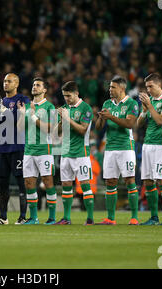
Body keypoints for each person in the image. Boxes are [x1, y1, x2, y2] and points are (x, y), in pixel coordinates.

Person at [95, 75, 140, 225]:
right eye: (109, 87)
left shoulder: (131, 104)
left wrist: (110, 116)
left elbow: (129, 123)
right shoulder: (107, 103)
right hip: (110, 148)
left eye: (113, 87)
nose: (110, 89)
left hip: (126, 147)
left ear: (122, 88)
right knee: (110, 181)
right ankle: (111, 218)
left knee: (129, 180)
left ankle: (134, 217)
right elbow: (98, 128)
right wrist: (101, 118)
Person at [0, 73, 30, 225]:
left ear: (17, 83)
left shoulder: (23, 100)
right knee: (2, 183)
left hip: (18, 146)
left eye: (9, 81)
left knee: (21, 182)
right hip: (1, 148)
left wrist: (2, 109)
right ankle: (3, 217)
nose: (6, 83)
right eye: (4, 81)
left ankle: (22, 216)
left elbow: (19, 122)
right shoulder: (1, 101)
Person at [16, 77, 56, 225]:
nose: (34, 87)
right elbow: (20, 128)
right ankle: (33, 217)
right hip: (29, 151)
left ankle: (52, 217)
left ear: (44, 90)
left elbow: (50, 129)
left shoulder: (49, 107)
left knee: (47, 182)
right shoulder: (27, 106)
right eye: (33, 85)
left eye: (38, 85)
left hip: (44, 150)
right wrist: (22, 114)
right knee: (29, 183)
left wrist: (32, 115)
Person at [137, 73, 162, 226]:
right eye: (146, 87)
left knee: (161, 180)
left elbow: (160, 121)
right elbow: (139, 124)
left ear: (159, 85)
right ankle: (153, 217)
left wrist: (150, 106)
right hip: (148, 143)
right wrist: (144, 110)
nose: (148, 90)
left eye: (150, 86)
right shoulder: (149, 101)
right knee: (147, 181)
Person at [54, 81, 95, 225]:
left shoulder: (86, 108)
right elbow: (57, 132)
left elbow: (83, 130)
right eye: (64, 96)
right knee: (66, 185)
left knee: (84, 185)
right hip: (66, 153)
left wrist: (67, 119)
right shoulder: (65, 108)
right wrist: (60, 121)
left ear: (76, 93)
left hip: (81, 154)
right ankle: (66, 218)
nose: (66, 99)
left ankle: (90, 218)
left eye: (69, 96)